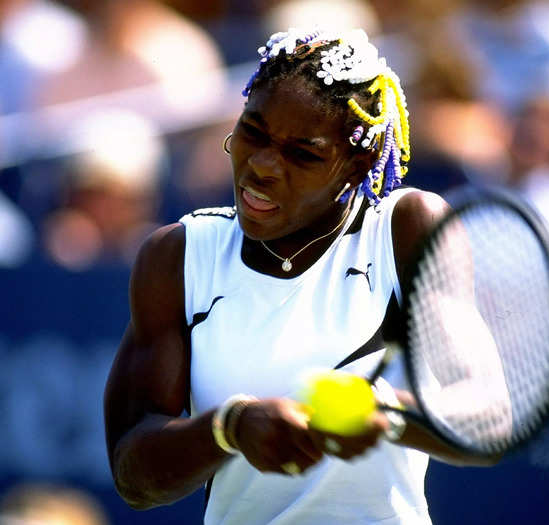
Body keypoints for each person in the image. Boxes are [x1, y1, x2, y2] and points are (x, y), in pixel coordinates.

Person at [104, 28, 498, 525]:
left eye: (303, 154)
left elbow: (486, 419)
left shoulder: (406, 229)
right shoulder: (177, 256)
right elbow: (132, 476)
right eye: (253, 132)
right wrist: (231, 427)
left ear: (356, 168)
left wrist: (381, 410)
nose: (263, 167)